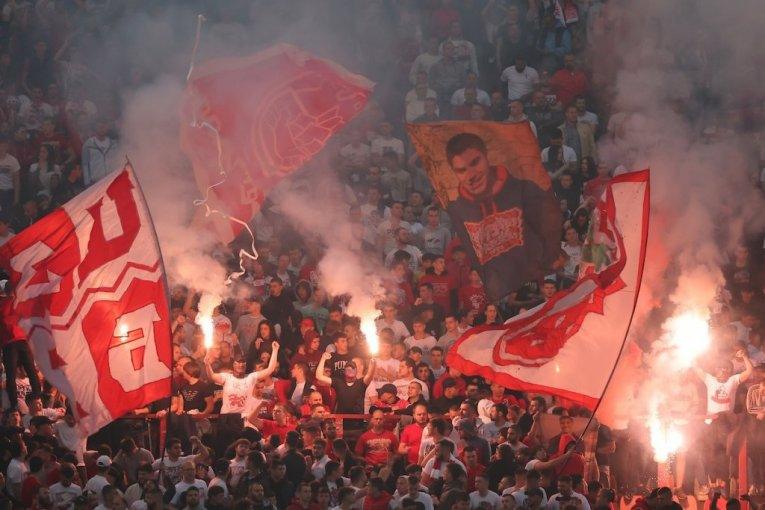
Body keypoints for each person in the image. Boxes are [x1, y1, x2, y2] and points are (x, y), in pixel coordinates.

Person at [444, 132, 560, 301]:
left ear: (487, 156)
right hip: (499, 296)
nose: (471, 176)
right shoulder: (457, 210)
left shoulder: (524, 190)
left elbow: (549, 233)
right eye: (461, 170)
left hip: (536, 284)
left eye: (475, 162)